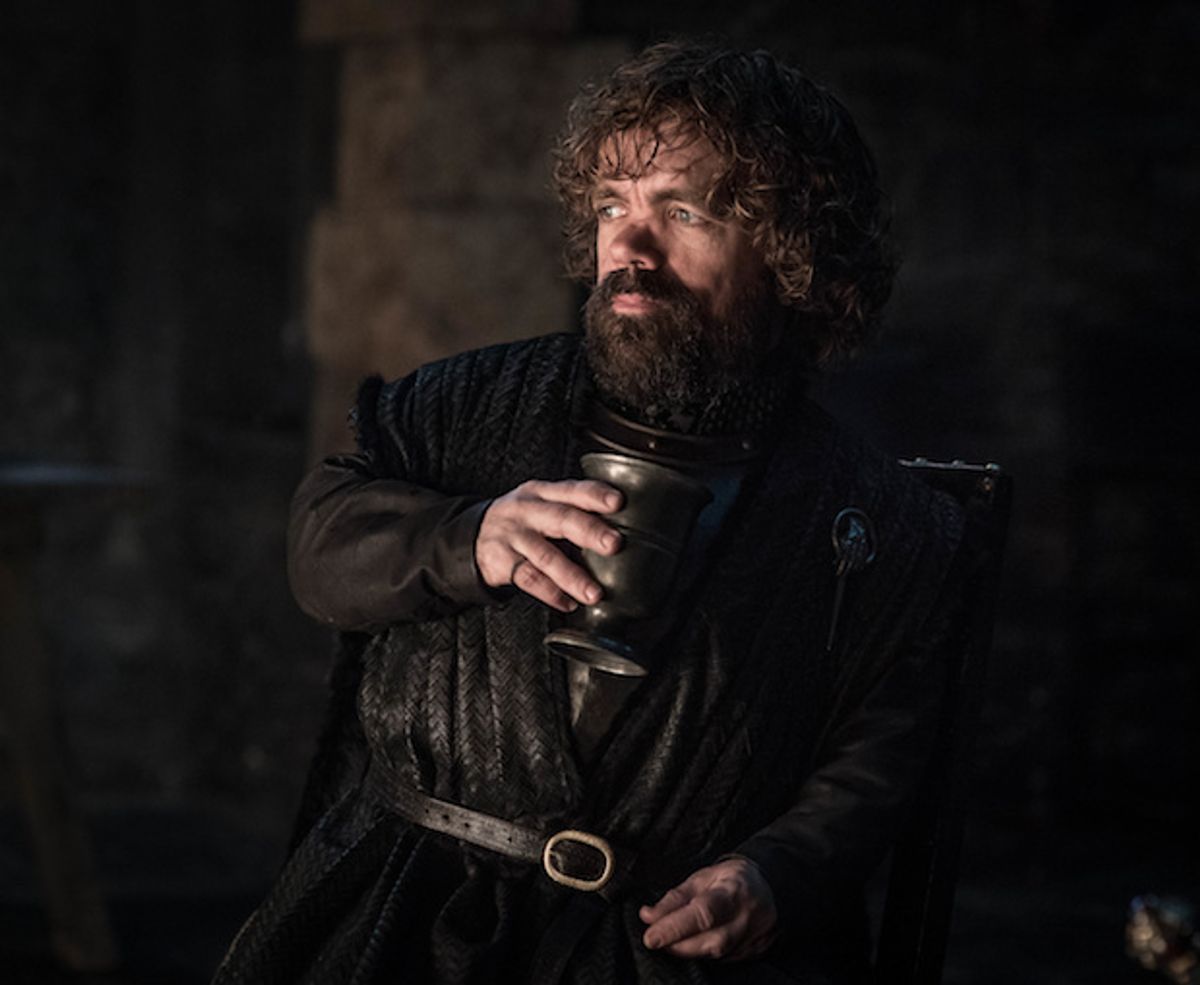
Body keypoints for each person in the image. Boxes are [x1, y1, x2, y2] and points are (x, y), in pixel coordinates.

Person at [214, 40, 972, 985]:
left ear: (793, 255)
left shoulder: (873, 519)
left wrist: (779, 871)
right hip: (403, 927)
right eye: (614, 206)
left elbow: (881, 749)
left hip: (661, 955)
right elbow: (319, 546)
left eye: (682, 213)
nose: (629, 251)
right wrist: (467, 538)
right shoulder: (455, 408)